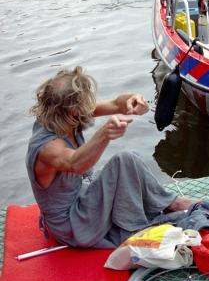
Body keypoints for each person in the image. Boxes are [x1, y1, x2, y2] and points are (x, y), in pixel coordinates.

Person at [26, 66, 195, 249]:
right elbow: (74, 164)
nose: (88, 106)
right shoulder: (45, 147)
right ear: (73, 109)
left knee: (129, 160)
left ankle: (172, 203)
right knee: (122, 161)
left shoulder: (64, 116)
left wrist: (132, 100)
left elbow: (116, 104)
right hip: (73, 225)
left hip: (82, 196)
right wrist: (105, 134)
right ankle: (142, 225)